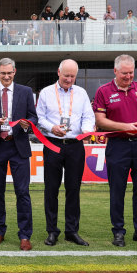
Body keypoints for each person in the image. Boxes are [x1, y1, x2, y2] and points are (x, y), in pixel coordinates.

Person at [93, 54, 137, 248]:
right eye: (124, 73)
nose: (128, 76)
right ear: (115, 71)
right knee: (117, 190)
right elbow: (100, 121)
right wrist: (125, 127)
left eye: (131, 72)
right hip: (118, 146)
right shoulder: (103, 91)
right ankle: (118, 232)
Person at [0, 58, 37, 251]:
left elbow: (33, 116)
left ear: (14, 72)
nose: (6, 76)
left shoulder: (26, 92)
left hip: (18, 147)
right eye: (3, 73)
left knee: (23, 192)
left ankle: (25, 235)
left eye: (9, 73)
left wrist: (29, 123)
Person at [36, 59, 95, 247]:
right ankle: (52, 231)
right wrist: (52, 127)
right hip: (52, 144)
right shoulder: (46, 92)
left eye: (72, 76)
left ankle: (72, 231)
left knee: (73, 189)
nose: (69, 79)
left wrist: (86, 131)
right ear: (58, 72)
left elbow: (88, 116)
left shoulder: (82, 93)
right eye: (66, 75)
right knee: (51, 190)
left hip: (75, 145)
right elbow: (39, 118)